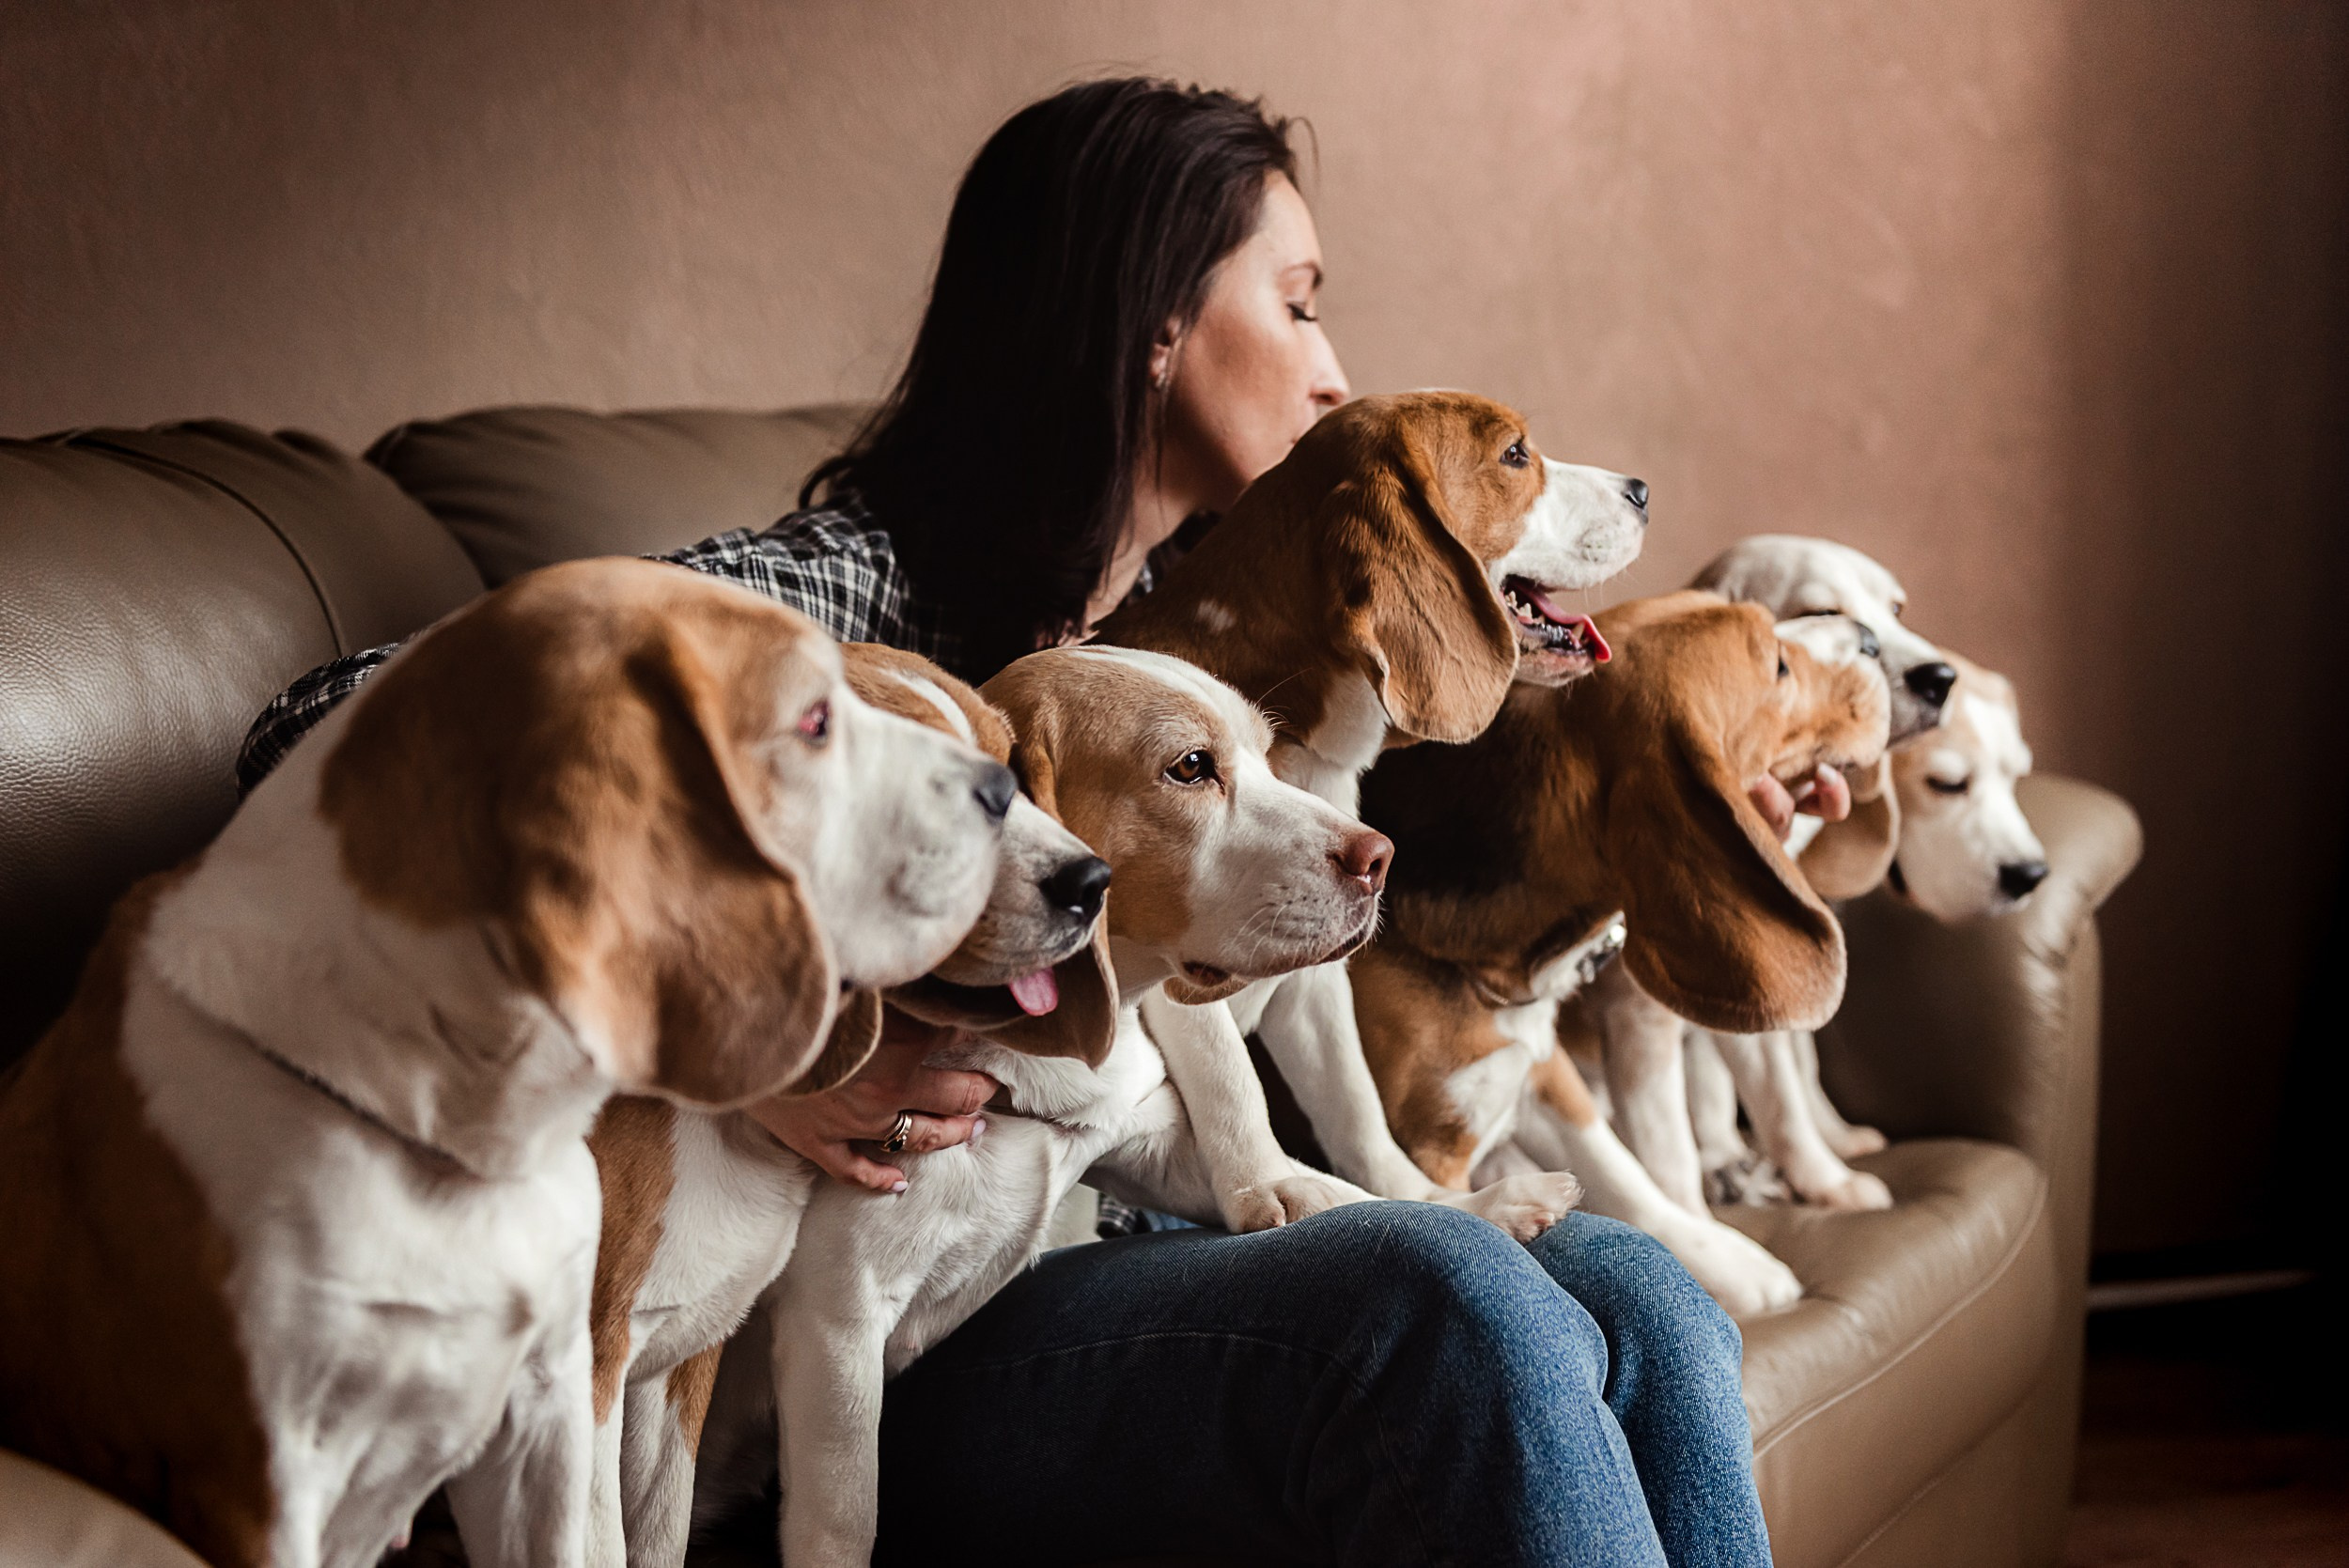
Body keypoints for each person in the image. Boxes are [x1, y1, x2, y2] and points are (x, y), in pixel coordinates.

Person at [241, 78, 1774, 1568]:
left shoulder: (1173, 638)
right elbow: (319, 731)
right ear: (1160, 326)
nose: (1330, 369)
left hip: (1121, 1244)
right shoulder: (857, 592)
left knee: (1644, 1292)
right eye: (1297, 302)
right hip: (897, 1342)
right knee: (1449, 1295)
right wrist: (751, 1036)